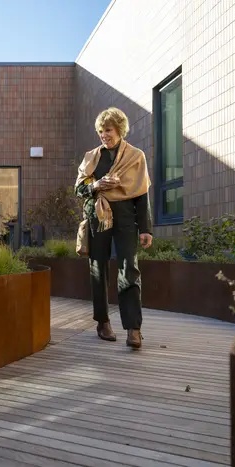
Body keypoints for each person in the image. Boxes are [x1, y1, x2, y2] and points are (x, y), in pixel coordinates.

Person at [75, 107, 153, 349]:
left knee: (129, 267)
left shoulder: (136, 156)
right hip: (97, 216)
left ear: (119, 129)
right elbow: (78, 190)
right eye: (100, 131)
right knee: (97, 267)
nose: (104, 135)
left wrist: (145, 228)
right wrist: (96, 184)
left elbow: (142, 195)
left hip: (126, 216)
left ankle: (133, 329)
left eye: (107, 130)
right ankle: (102, 322)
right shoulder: (91, 157)